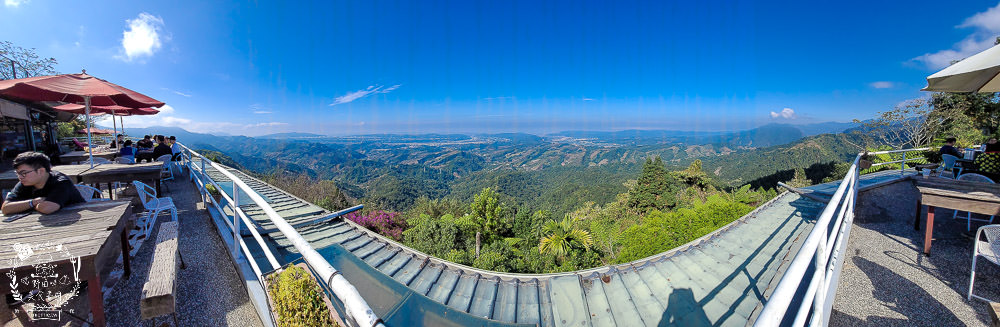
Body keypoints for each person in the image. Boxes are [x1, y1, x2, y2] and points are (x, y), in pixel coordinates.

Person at [1, 152, 85, 215]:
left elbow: (47, 208)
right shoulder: (25, 183)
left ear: (41, 171)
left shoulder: (61, 182)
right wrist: (33, 202)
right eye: (18, 173)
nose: (20, 177)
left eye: (23, 173)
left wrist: (23, 206)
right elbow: (5, 208)